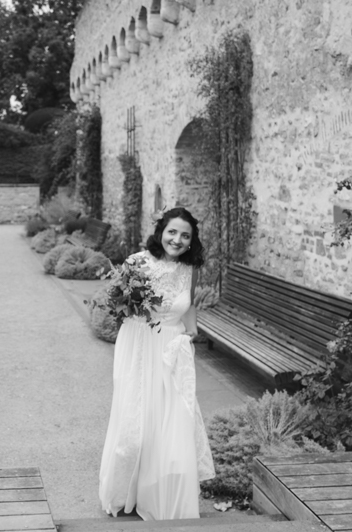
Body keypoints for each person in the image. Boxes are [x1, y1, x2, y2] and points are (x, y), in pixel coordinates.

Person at [98, 207, 215, 520]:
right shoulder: (137, 262)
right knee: (135, 423)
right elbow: (117, 304)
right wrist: (129, 303)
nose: (177, 239)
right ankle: (125, 493)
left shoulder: (190, 269)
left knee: (172, 422)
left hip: (172, 350)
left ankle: (161, 494)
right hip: (139, 344)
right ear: (161, 231)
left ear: (192, 242)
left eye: (185, 235)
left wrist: (191, 334)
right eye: (172, 232)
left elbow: (188, 306)